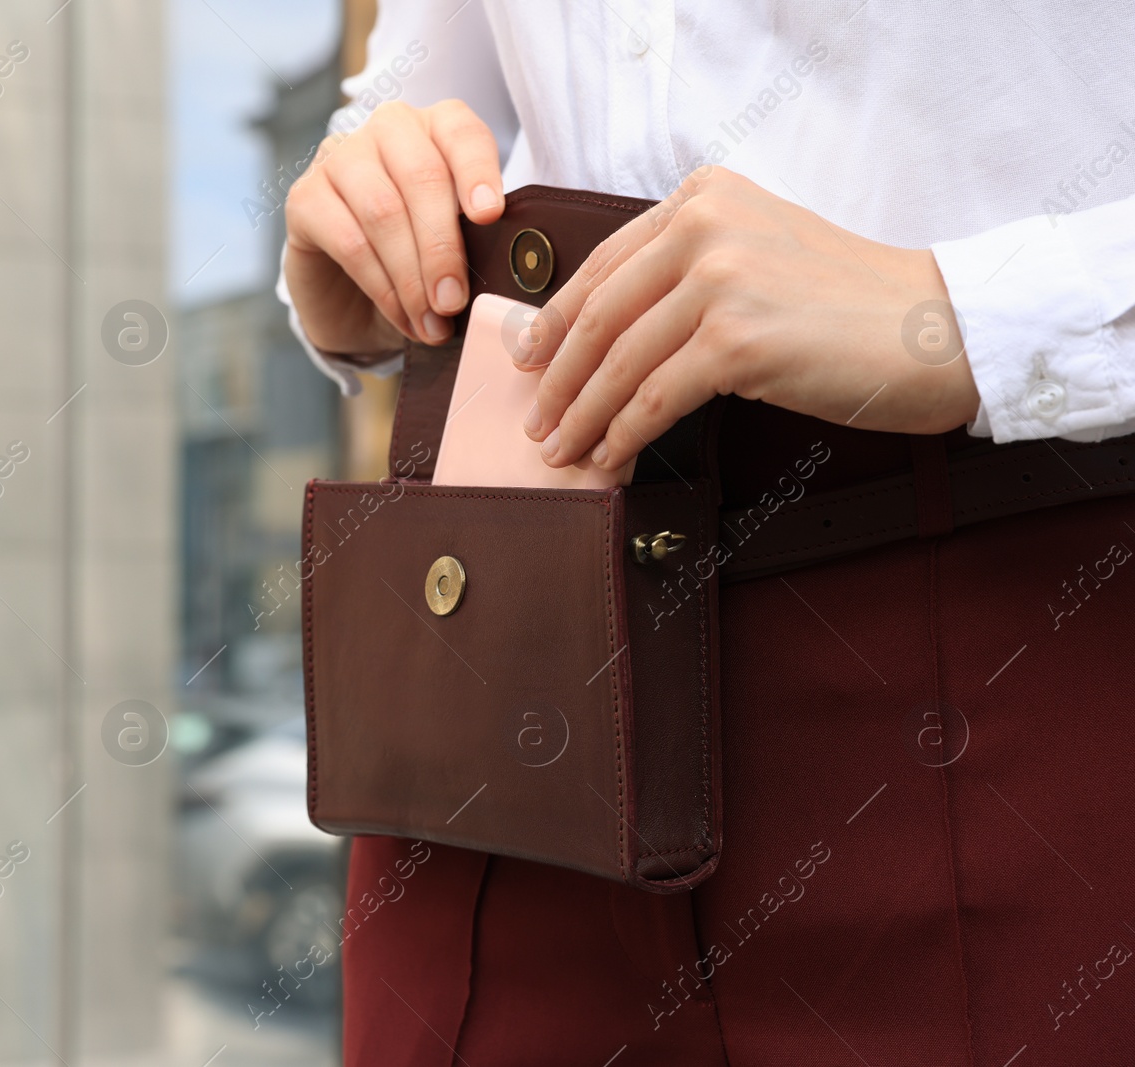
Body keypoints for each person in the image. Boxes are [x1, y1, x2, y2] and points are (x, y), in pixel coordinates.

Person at [278, 2, 1135, 1064]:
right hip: (514, 674)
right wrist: (365, 230)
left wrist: (961, 315)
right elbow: (422, 93)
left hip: (1017, 615)